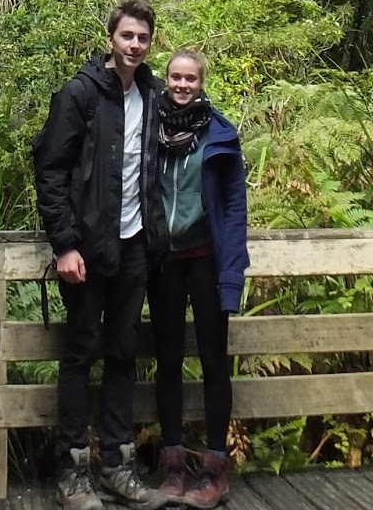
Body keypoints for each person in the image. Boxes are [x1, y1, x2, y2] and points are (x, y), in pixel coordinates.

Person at [33, 0, 170, 510]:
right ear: (110, 38)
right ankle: (73, 470)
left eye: (143, 38)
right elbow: (50, 169)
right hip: (88, 248)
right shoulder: (81, 93)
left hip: (135, 246)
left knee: (123, 353)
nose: (134, 45)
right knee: (81, 352)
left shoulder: (153, 93)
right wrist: (65, 244)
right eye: (127, 35)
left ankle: (117, 464)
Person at [147, 48, 249, 509]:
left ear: (201, 82)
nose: (182, 85)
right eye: (175, 77)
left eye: (190, 78)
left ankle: (214, 470)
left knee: (212, 360)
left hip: (206, 258)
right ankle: (172, 466)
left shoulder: (219, 133)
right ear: (166, 79)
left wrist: (232, 271)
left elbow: (234, 207)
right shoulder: (151, 129)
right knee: (168, 359)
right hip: (164, 260)